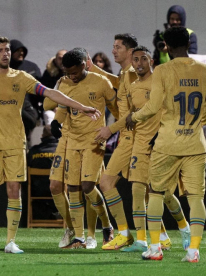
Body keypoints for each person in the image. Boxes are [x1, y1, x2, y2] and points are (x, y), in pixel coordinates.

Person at [0, 35, 100, 254]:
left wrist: (82, 106)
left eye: (7, 49)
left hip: (16, 144)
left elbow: (50, 93)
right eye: (0, 50)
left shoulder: (21, 77)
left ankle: (10, 242)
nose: (5, 53)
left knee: (14, 190)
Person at [126, 26, 206, 262]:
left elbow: (153, 107)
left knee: (155, 193)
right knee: (196, 198)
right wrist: (194, 125)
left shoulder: (163, 71)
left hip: (167, 143)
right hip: (195, 144)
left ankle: (155, 248)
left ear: (166, 46)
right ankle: (193, 250)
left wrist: (133, 117)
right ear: (189, 43)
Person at [108, 46, 190, 253]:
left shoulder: (161, 82)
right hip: (140, 143)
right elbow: (132, 114)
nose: (139, 63)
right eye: (135, 60)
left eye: (143, 59)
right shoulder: (133, 86)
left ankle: (184, 227)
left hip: (161, 143)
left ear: (151, 61)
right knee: (137, 189)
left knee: (165, 194)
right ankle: (141, 241)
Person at [50, 48, 118, 249]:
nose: (72, 76)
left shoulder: (101, 82)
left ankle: (107, 226)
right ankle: (78, 237)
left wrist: (113, 129)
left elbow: (116, 109)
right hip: (72, 141)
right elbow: (63, 107)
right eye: (68, 73)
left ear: (83, 64)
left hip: (94, 140)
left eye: (75, 72)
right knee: (72, 187)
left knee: (88, 186)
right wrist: (56, 122)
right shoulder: (65, 83)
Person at [91, 33, 140, 250]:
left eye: (118, 47)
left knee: (106, 183)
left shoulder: (133, 74)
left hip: (131, 137)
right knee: (145, 190)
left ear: (130, 52)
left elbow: (133, 113)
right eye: (113, 46)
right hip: (129, 136)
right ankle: (164, 236)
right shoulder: (128, 74)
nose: (113, 50)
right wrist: (96, 69)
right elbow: (119, 83)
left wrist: (109, 130)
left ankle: (123, 233)